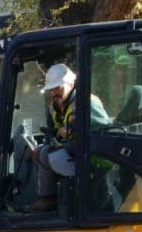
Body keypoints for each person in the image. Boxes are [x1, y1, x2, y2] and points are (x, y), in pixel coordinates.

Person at [27, 63, 110, 211]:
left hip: (91, 153)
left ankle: (48, 200)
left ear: (71, 84)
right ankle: (43, 196)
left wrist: (72, 127)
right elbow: (54, 128)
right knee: (38, 151)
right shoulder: (56, 106)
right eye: (51, 89)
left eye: (58, 87)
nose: (54, 93)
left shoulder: (88, 101)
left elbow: (103, 128)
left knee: (47, 153)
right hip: (71, 147)